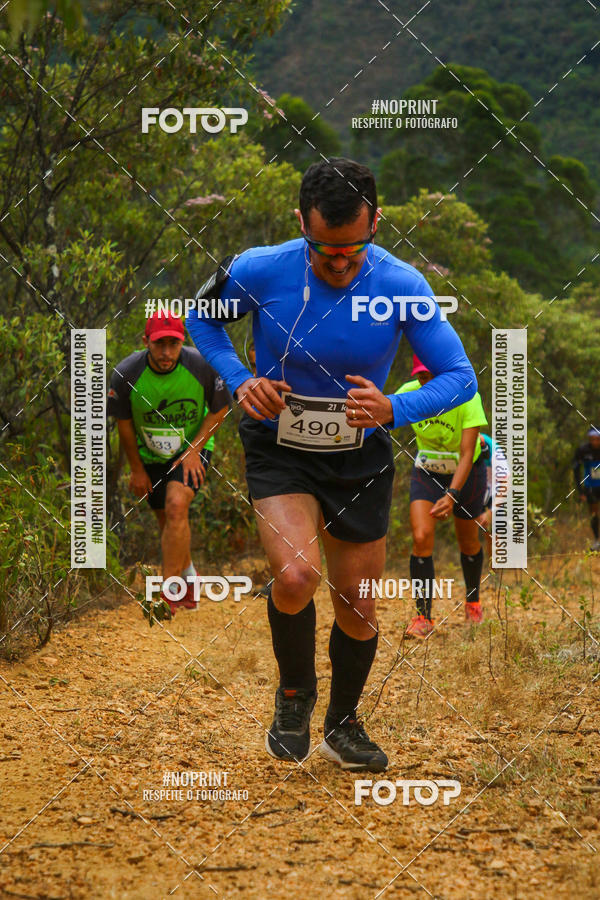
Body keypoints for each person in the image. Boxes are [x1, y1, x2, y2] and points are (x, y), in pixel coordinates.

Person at [186, 157, 477, 771]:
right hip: (278, 443)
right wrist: (240, 379)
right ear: (301, 223)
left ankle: (343, 725)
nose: (340, 262)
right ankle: (293, 697)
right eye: (325, 250)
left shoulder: (403, 285)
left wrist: (395, 406)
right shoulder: (258, 268)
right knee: (295, 578)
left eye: (353, 248)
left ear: (375, 222)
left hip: (359, 453)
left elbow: (458, 377)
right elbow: (201, 321)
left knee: (359, 600)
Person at [107, 311, 229, 613]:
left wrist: (193, 450)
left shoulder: (202, 366)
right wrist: (136, 469)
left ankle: (168, 594)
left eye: (173, 345)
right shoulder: (126, 373)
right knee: (167, 521)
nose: (166, 353)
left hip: (191, 448)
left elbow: (220, 409)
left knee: (176, 506)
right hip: (149, 454)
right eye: (160, 344)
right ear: (146, 341)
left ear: (182, 341)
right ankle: (190, 579)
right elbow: (123, 422)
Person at [397, 355, 488, 638]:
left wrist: (452, 494)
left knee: (468, 541)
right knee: (422, 538)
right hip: (428, 470)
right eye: (423, 377)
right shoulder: (408, 393)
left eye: (434, 376)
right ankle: (423, 617)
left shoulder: (468, 395)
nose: (429, 383)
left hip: (467, 473)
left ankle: (473, 600)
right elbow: (378, 416)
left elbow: (465, 454)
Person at [475, 432, 509, 559]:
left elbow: (506, 481)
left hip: (494, 492)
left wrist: (491, 511)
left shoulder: (493, 448)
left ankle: (494, 573)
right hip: (475, 490)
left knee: (493, 535)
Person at [573, 427, 600, 551]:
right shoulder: (583, 450)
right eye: (592, 439)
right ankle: (596, 541)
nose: (594, 442)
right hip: (591, 486)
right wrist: (580, 491)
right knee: (594, 513)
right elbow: (576, 470)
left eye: (597, 439)